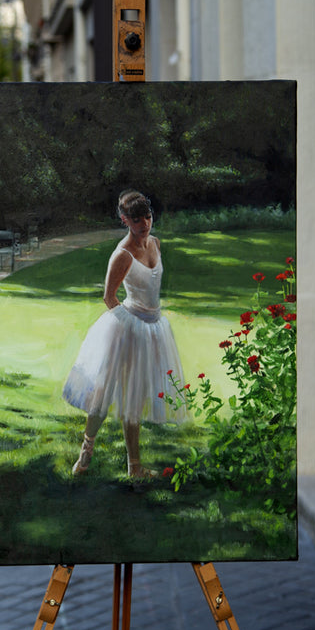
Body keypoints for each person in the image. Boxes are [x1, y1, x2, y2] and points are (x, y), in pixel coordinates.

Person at [62, 189, 186, 478]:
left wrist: (148, 325)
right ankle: (86, 451)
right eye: (137, 219)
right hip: (126, 327)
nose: (145, 223)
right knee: (103, 394)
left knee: (134, 396)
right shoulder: (122, 254)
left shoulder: (155, 243)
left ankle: (135, 468)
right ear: (124, 220)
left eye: (148, 216)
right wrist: (132, 326)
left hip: (153, 327)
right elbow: (109, 297)